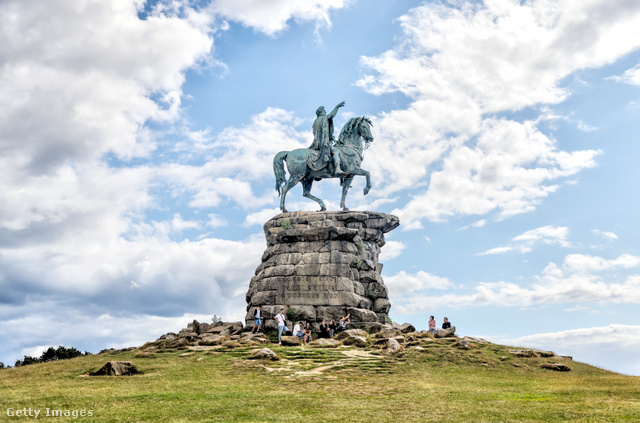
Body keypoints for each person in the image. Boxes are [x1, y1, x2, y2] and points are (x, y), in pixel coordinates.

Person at [308, 101, 346, 175]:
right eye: (324, 111)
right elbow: (331, 115)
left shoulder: (316, 121)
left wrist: (330, 138)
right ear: (320, 112)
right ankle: (337, 169)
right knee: (336, 151)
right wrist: (337, 107)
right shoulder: (323, 118)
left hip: (316, 142)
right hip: (323, 143)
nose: (325, 112)